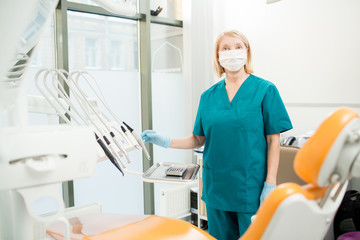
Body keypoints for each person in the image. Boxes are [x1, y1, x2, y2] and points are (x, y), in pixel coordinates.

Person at [141, 30, 292, 240]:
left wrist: (270, 184)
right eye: (226, 48)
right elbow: (198, 139)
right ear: (218, 56)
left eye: (238, 47)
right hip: (217, 188)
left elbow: (273, 140)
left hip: (250, 187)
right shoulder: (208, 96)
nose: (232, 52)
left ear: (247, 52)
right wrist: (166, 141)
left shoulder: (265, 90)